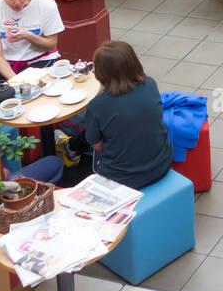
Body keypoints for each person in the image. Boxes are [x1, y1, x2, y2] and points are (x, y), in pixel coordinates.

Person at [69, 40, 173, 190]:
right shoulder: (150, 84)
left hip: (123, 178)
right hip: (162, 163)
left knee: (89, 150)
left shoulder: (97, 106)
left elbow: (97, 146)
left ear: (100, 74)